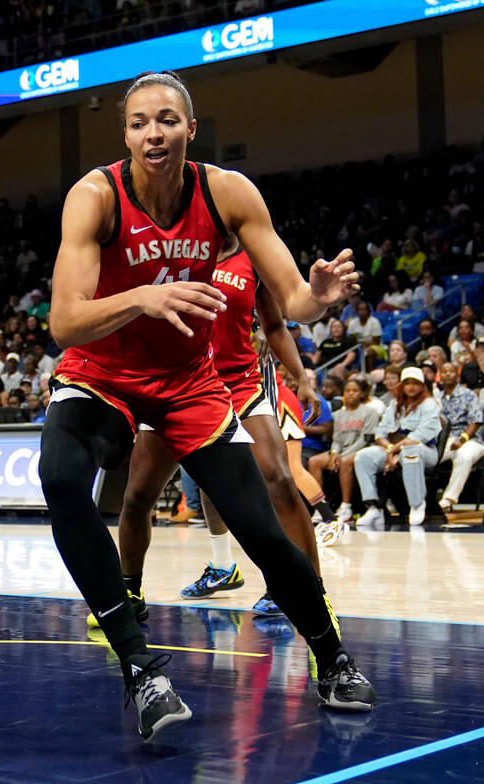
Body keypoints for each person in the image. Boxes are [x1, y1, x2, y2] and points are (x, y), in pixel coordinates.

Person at [42, 70, 373, 742]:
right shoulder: (95, 196)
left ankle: (332, 657)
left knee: (260, 523)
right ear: (126, 134)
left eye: (166, 119)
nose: (152, 132)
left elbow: (294, 301)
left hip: (191, 381)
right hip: (103, 371)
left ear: (191, 128)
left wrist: (318, 295)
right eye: (138, 122)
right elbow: (65, 322)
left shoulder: (227, 193)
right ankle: (140, 666)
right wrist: (142, 298)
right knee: (62, 479)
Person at [116, 241, 337, 624]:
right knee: (137, 497)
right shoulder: (167, 250)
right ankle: (128, 592)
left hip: (238, 381)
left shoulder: (252, 255)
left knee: (280, 480)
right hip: (176, 385)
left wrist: (302, 378)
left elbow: (274, 325)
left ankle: (313, 591)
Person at [354, 367, 441, 529]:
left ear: (422, 385)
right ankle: (374, 507)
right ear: (402, 385)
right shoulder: (394, 405)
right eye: (407, 383)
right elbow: (380, 432)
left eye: (415, 383)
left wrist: (393, 451)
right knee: (363, 456)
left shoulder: (429, 405)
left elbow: (420, 436)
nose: (411, 386)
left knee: (410, 451)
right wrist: (390, 449)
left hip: (425, 451)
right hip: (394, 449)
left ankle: (416, 505)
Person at [307, 378, 379, 527]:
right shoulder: (338, 415)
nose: (350, 394)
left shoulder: (370, 412)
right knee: (314, 461)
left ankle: (346, 506)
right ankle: (320, 507)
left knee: (345, 462)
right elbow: (336, 439)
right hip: (341, 452)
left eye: (354, 391)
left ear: (362, 394)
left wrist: (341, 456)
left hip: (362, 451)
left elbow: (365, 439)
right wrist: (334, 453)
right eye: (348, 391)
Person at [436, 362, 484, 511]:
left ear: (457, 375)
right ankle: (423, 498)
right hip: (445, 439)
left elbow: (476, 421)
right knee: (429, 457)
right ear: (440, 377)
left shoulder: (468, 394)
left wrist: (462, 439)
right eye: (444, 372)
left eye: (451, 371)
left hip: (471, 439)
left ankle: (448, 499)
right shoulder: (437, 398)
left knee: (464, 456)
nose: (448, 374)